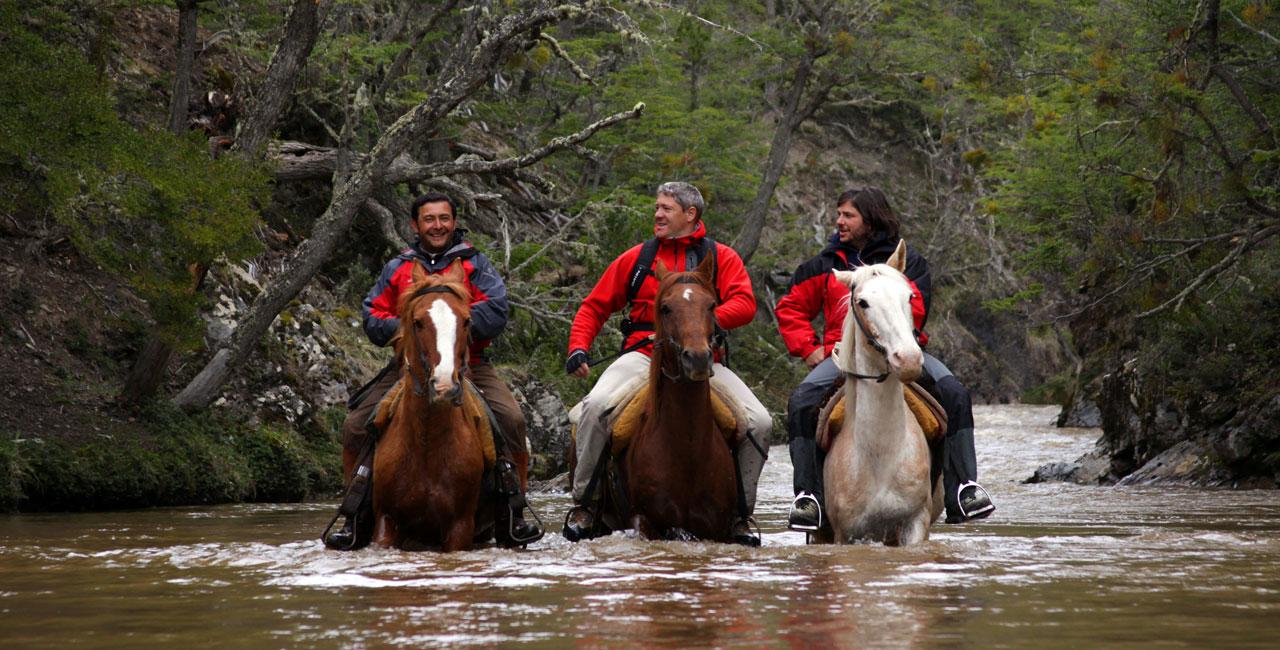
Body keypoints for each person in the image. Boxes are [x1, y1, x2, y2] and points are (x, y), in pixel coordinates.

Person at [323, 192, 543, 549]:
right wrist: (410, 328)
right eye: (429, 219)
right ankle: (353, 515)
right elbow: (372, 313)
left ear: (453, 222)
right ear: (416, 225)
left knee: (511, 419)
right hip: (407, 366)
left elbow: (497, 309)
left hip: (470, 365)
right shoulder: (398, 267)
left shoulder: (475, 263)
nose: (437, 226)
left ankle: (514, 513)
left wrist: (451, 324)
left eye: (444, 218)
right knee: (355, 425)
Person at [562, 182, 770, 546]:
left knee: (760, 422)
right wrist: (578, 347)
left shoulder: (721, 257)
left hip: (701, 356)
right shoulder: (638, 259)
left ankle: (741, 514)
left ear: (690, 214)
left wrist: (699, 324)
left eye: (666, 209)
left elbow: (745, 303)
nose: (657, 214)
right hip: (642, 356)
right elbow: (594, 306)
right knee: (594, 408)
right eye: (657, 207)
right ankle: (586, 505)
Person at [775, 187, 995, 531]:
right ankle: (809, 497)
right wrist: (808, 348)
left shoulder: (908, 262)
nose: (839, 222)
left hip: (899, 348)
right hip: (842, 355)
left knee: (954, 393)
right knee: (802, 401)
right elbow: (790, 307)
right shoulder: (823, 265)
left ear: (870, 219)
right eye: (839, 215)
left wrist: (895, 343)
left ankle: (963, 489)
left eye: (848, 215)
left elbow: (916, 307)